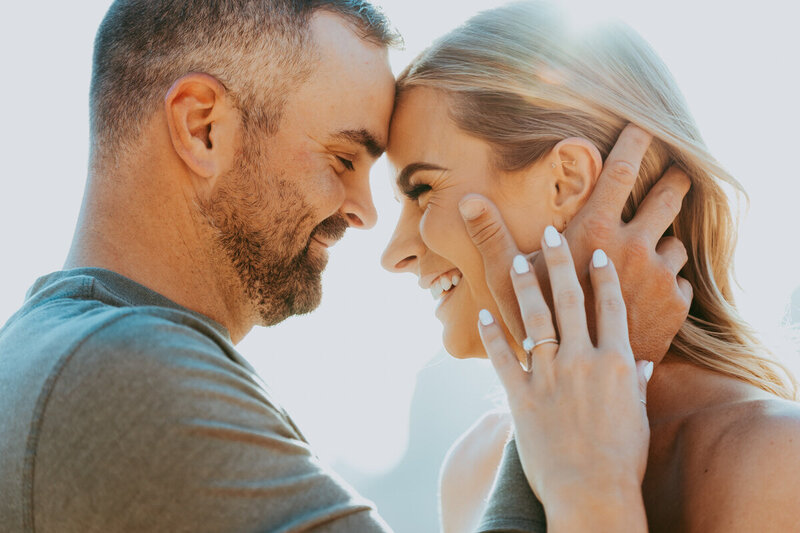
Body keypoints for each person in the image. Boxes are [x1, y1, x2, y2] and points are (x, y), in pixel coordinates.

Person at [0, 1, 692, 531]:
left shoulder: (49, 352)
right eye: (342, 158)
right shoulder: (126, 372)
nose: (365, 216)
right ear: (203, 127)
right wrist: (595, 355)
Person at [380, 2, 800, 532]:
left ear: (567, 181)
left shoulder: (778, 462)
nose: (393, 253)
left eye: (422, 190)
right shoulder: (475, 465)